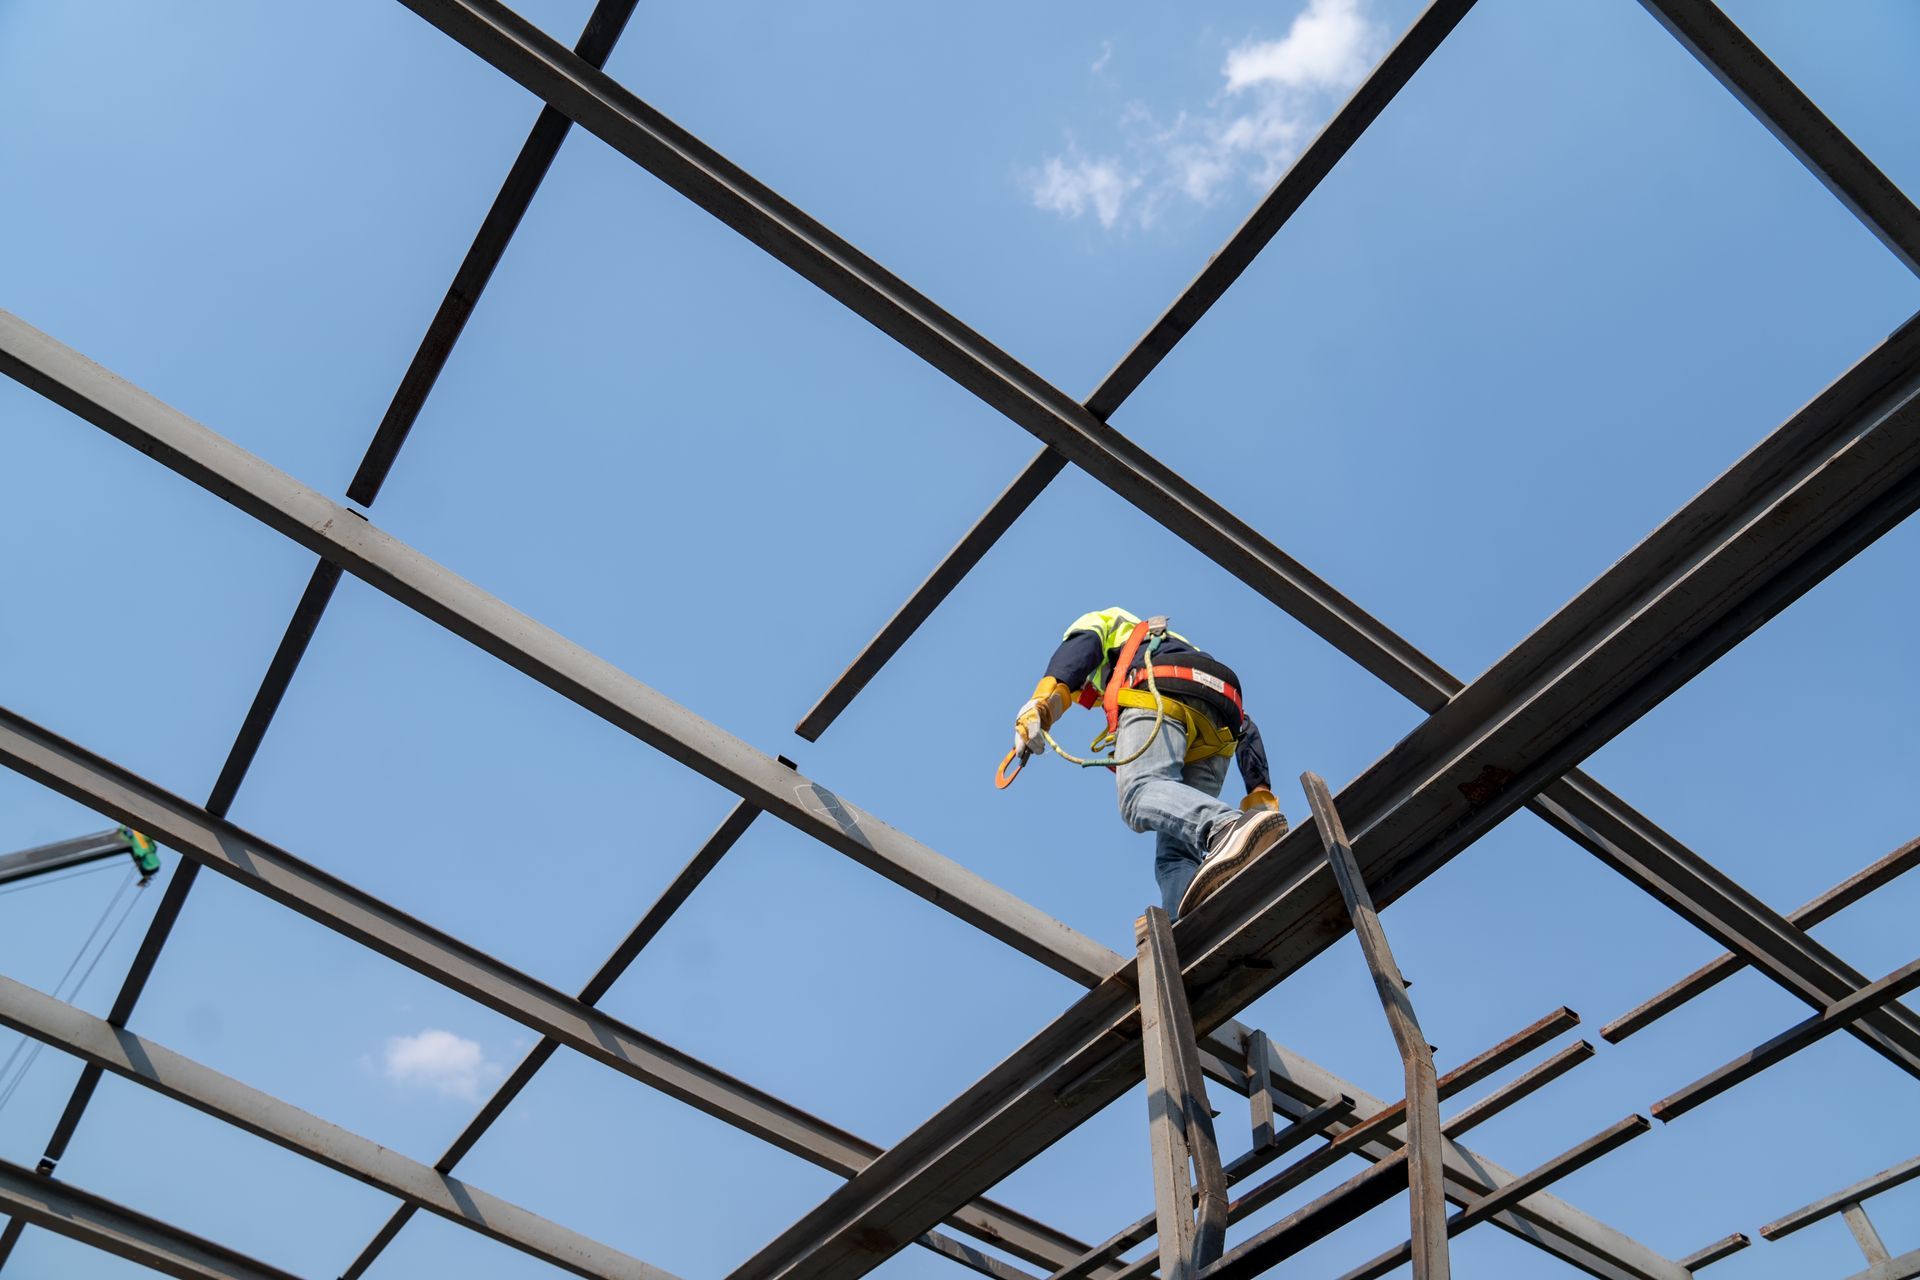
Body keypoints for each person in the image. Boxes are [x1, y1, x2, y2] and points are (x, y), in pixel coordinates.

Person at [1011, 607, 1289, 919]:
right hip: (1223, 715)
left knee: (1138, 793)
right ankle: (1185, 922)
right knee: (1177, 851)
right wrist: (1260, 797)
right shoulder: (1182, 647)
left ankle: (1225, 825)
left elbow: (1078, 654)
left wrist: (1041, 705)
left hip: (1162, 687)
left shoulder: (1105, 626)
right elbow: (1246, 727)